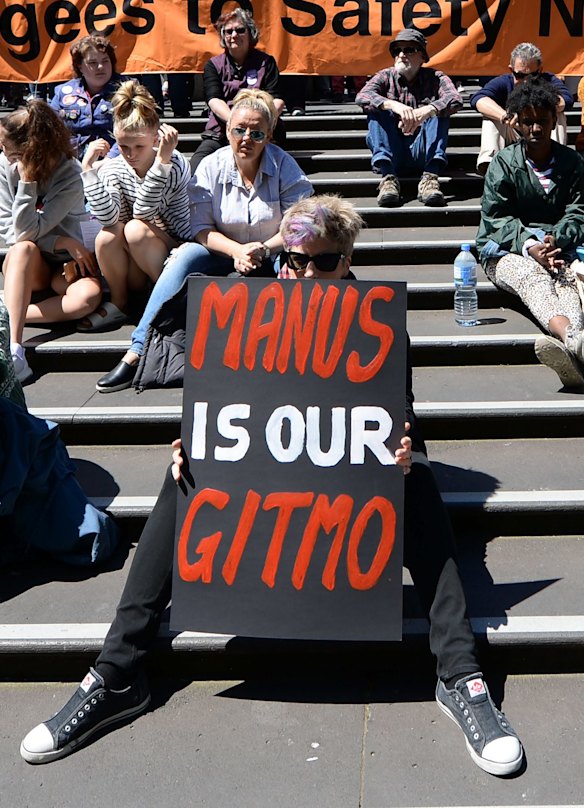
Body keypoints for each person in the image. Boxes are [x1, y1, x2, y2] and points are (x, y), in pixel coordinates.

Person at [21, 194, 523, 777]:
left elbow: (398, 412)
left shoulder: (378, 322)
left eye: (323, 262)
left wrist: (403, 446)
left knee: (420, 484)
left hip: (362, 482)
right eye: (294, 260)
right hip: (267, 487)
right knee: (181, 476)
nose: (306, 274)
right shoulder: (246, 315)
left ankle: (461, 675)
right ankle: (115, 674)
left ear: (348, 258)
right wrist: (194, 445)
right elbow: (219, 411)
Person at [94, 88, 312, 393]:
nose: (246, 138)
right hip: (220, 250)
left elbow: (299, 222)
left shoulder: (284, 165)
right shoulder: (211, 165)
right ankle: (137, 350)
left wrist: (266, 247)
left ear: (270, 135)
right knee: (185, 255)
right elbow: (200, 227)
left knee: (301, 263)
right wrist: (236, 250)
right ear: (227, 130)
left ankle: (304, 353)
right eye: (239, 130)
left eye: (257, 133)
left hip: (272, 249)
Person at [476, 78, 584, 388]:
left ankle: (571, 354)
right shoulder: (503, 164)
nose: (535, 128)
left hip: (558, 248)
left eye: (542, 121)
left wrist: (557, 239)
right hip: (506, 251)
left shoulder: (572, 162)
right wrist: (530, 244)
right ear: (517, 123)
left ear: (553, 121)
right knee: (533, 279)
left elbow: (579, 210)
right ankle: (575, 340)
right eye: (528, 122)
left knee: (565, 286)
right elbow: (496, 218)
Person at [77, 80, 191, 333]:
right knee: (108, 236)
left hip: (176, 246)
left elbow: (144, 212)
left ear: (156, 136)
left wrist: (161, 163)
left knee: (135, 228)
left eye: (138, 146)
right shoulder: (114, 167)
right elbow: (108, 217)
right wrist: (88, 171)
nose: (130, 154)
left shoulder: (175, 162)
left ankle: (167, 298)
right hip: (134, 251)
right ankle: (120, 302)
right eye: (123, 146)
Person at [0, 101, 101, 383]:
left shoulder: (69, 172)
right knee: (22, 249)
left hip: (67, 266)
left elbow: (35, 227)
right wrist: (60, 241)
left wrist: (63, 243)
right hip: (31, 262)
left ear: (31, 149)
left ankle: (8, 308)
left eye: (9, 147)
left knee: (86, 300)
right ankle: (15, 350)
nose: (4, 152)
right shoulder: (4, 166)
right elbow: (16, 232)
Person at [355, 29, 462, 208]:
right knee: (377, 109)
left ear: (422, 57)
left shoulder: (436, 77)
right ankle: (388, 180)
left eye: (409, 50)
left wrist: (427, 110)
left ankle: (430, 179)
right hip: (393, 150)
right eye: (397, 51)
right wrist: (393, 105)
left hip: (422, 149)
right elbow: (362, 96)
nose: (402, 55)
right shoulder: (385, 76)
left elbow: (456, 99)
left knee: (439, 109)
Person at [191, 7, 286, 172]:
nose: (233, 35)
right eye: (228, 31)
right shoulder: (213, 65)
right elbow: (213, 99)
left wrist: (261, 122)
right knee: (194, 168)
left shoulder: (267, 62)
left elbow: (277, 99)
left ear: (250, 33)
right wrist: (235, 125)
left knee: (272, 168)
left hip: (261, 132)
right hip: (222, 131)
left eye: (240, 30)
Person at [470, 42, 573, 176]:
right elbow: (478, 99)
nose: (525, 81)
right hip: (514, 130)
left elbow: (566, 99)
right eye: (519, 76)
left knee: (557, 116)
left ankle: (556, 163)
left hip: (541, 130)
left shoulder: (549, 80)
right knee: (490, 117)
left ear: (540, 70)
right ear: (511, 69)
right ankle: (490, 165)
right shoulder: (504, 81)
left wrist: (529, 110)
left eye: (531, 76)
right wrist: (505, 116)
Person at [49, 35, 124, 159]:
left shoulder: (128, 90)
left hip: (114, 161)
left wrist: (108, 160)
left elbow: (134, 132)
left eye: (105, 61)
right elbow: (51, 130)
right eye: (92, 63)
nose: (100, 67)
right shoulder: (63, 92)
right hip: (71, 160)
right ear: (80, 66)